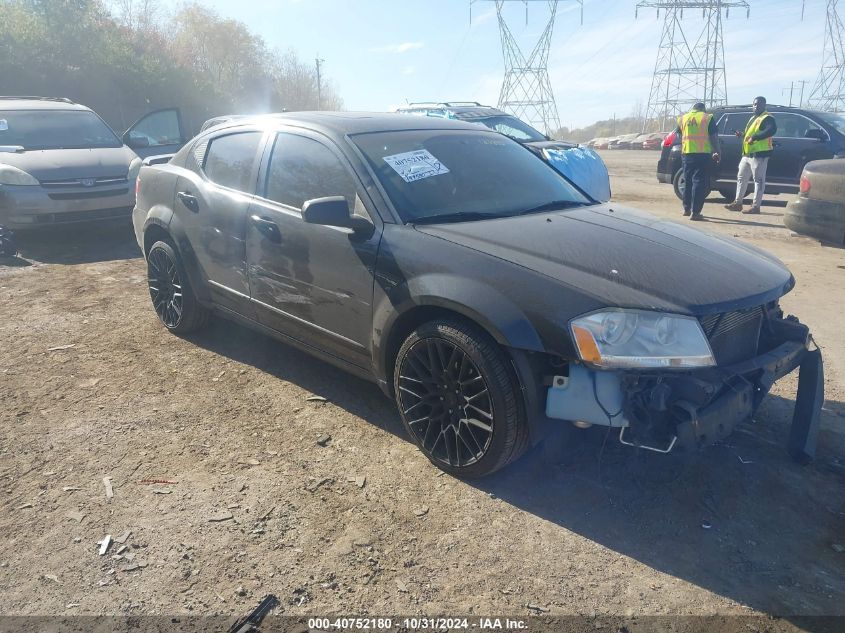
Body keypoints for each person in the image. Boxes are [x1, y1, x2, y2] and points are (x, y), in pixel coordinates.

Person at [724, 96, 777, 215]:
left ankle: (755, 206)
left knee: (758, 180)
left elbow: (771, 130)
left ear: (764, 105)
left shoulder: (767, 118)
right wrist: (742, 135)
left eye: (758, 104)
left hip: (759, 155)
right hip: (747, 154)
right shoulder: (753, 118)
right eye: (754, 104)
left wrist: (755, 137)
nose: (755, 106)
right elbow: (750, 135)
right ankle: (738, 203)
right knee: (741, 177)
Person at [675, 102, 720, 221]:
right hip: (702, 154)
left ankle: (686, 209)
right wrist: (717, 151)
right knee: (699, 183)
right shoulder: (707, 118)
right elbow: (714, 137)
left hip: (687, 154)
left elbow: (678, 134)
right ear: (703, 109)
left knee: (687, 181)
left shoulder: (684, 118)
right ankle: (695, 212)